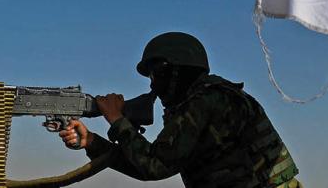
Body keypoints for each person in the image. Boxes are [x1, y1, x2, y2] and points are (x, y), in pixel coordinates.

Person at [59, 32, 302, 188]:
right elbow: (148, 164)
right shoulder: (202, 101)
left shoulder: (209, 101)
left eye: (155, 74)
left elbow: (153, 165)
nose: (153, 84)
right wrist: (91, 141)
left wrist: (116, 119)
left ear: (173, 71)